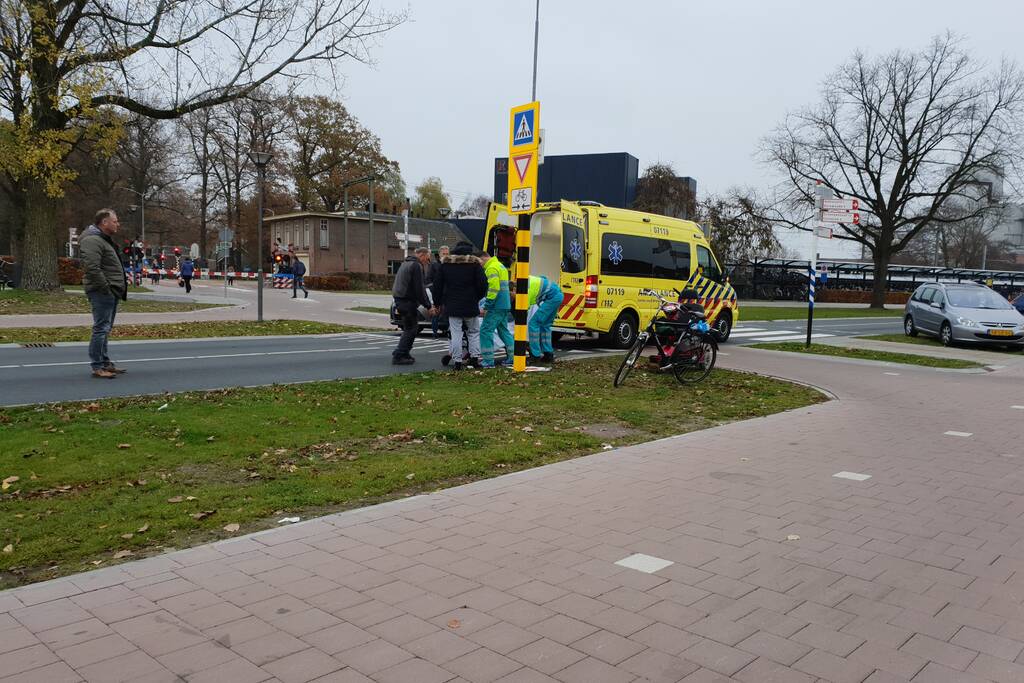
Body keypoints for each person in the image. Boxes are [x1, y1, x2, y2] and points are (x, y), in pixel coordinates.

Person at [80, 209, 128, 379]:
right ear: (104, 222)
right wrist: (105, 287)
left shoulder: (104, 240)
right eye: (115, 221)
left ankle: (105, 362)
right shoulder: (92, 240)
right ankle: (97, 366)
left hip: (111, 290)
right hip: (102, 291)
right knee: (101, 328)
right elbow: (92, 267)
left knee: (105, 328)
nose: (118, 224)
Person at [432, 242, 486, 371]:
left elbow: (437, 285)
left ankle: (457, 361)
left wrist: (437, 303)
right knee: (473, 332)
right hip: (470, 304)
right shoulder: (475, 265)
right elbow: (483, 284)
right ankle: (474, 358)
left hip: (452, 304)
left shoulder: (445, 265)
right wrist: (476, 297)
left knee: (456, 333)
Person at [391, 247, 436, 365]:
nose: (427, 262)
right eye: (427, 259)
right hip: (408, 301)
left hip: (400, 299)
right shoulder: (416, 266)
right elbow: (419, 289)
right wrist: (428, 306)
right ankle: (400, 354)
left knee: (408, 328)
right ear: (422, 255)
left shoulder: (405, 263)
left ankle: (404, 352)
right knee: (411, 329)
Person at [479, 249, 515, 368]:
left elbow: (493, 288)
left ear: (482, 258)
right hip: (504, 304)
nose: (479, 265)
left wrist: (487, 306)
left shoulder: (491, 268)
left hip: (496, 306)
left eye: (479, 262)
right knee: (503, 331)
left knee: (485, 330)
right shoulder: (500, 266)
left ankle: (488, 361)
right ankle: (513, 356)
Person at [527, 274, 564, 363]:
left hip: (552, 298)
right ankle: (548, 354)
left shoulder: (527, 289)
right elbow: (543, 278)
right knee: (545, 325)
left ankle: (535, 354)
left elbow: (524, 308)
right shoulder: (529, 279)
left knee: (533, 324)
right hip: (557, 296)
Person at [427, 245, 450, 337]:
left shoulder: (451, 264)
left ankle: (447, 331)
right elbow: (429, 279)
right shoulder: (434, 265)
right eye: (443, 253)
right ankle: (434, 332)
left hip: (448, 293)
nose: (445, 255)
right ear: (439, 254)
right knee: (436, 314)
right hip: (437, 292)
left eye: (447, 253)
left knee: (448, 313)